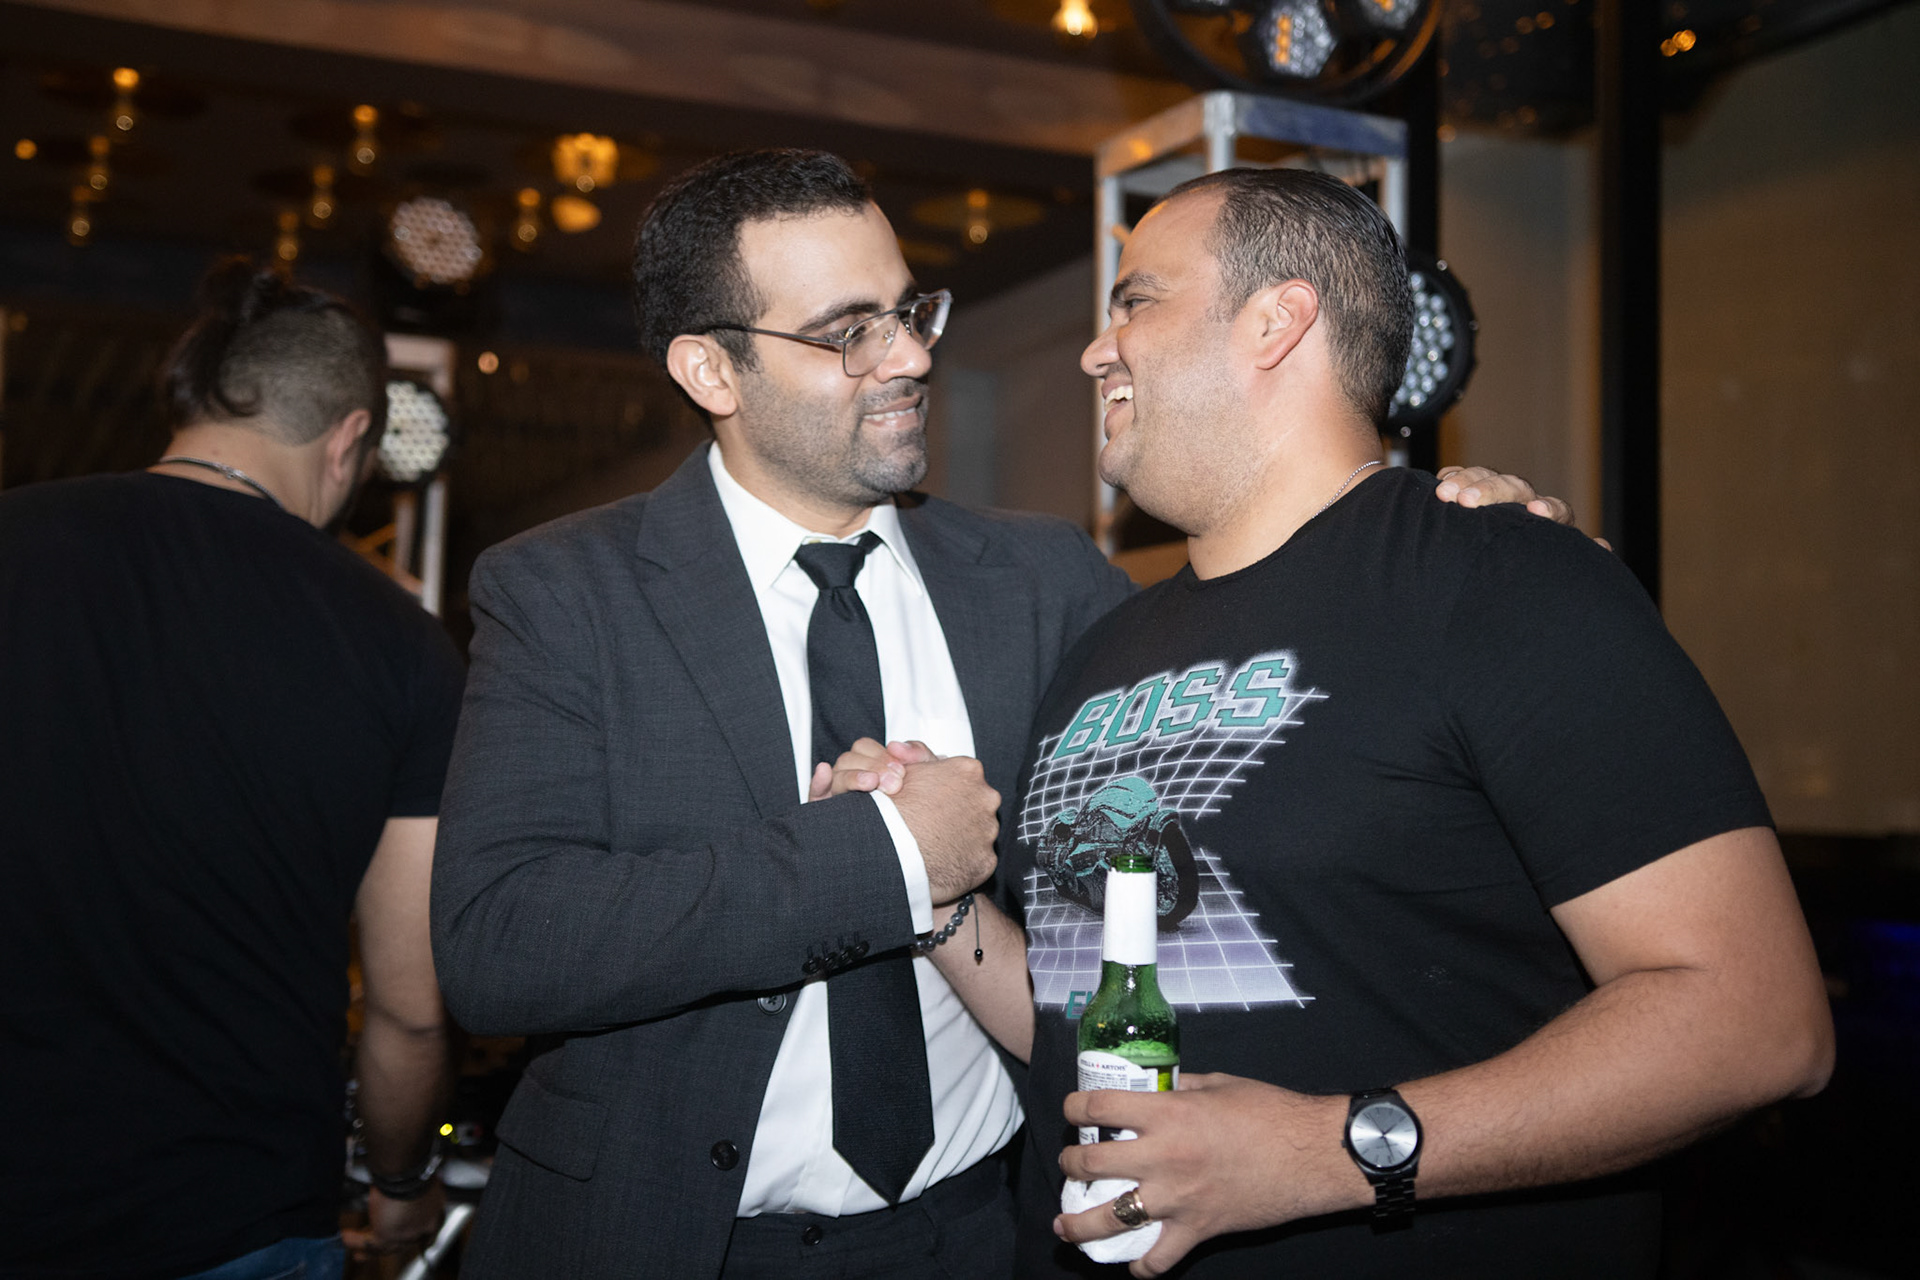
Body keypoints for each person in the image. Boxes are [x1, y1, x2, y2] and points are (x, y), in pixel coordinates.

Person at [428, 148, 1568, 1280]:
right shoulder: (565, 591)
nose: (912, 356)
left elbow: (1273, 719)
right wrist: (886, 857)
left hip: (981, 1233)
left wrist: (1444, 528)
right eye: (850, 332)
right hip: (668, 1240)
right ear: (711, 371)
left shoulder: (1041, 580)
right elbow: (498, 943)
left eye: (909, 311)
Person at [970, 167, 1831, 1277]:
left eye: (1136, 300)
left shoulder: (1500, 577)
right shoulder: (1101, 652)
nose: (1098, 350)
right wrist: (933, 900)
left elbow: (1759, 1023)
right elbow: (1072, 1009)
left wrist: (1327, 1151)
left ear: (1277, 320)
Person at [0, 262, 466, 1280]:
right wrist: (400, 1181)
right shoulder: (399, 643)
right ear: (349, 439)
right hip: (235, 1214)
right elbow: (409, 1004)